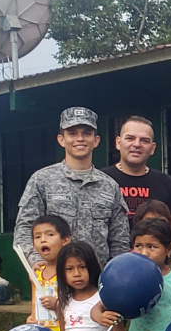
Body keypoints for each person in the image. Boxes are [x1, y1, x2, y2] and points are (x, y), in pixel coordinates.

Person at [13, 107, 128, 268]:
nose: (79, 138)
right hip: (54, 280)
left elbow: (120, 241)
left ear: (96, 140)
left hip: (98, 284)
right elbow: (24, 229)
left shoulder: (110, 187)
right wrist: (35, 260)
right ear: (61, 139)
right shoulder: (42, 180)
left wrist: (115, 273)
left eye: (86, 133)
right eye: (72, 133)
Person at [101, 115, 171, 226]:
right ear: (118, 143)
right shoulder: (101, 180)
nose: (136, 144)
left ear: (152, 148)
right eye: (130, 138)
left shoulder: (166, 183)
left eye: (144, 140)